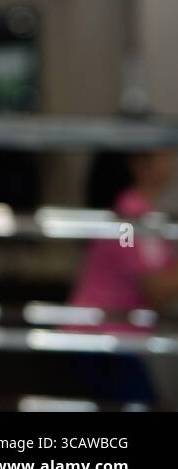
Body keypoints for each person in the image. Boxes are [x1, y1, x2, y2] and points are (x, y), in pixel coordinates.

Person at [67, 147, 178, 404]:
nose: (171, 159)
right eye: (163, 151)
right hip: (102, 339)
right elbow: (157, 289)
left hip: (110, 337)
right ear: (138, 164)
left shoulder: (142, 213)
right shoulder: (131, 217)